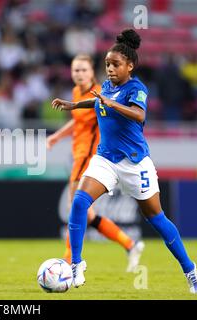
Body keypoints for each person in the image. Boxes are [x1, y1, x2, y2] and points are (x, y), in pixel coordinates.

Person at [51, 29, 197, 294]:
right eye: (107, 64)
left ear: (129, 66)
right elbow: (99, 103)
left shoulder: (136, 88)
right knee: (79, 201)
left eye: (115, 64)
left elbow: (138, 115)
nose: (109, 69)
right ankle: (76, 264)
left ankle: (189, 269)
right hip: (106, 159)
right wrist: (74, 106)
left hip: (135, 164)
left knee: (156, 219)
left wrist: (112, 104)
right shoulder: (107, 87)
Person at [47, 54, 144, 272]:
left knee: (77, 208)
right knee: (86, 214)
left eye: (83, 70)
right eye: (75, 70)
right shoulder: (75, 93)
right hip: (78, 155)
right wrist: (57, 136)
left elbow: (113, 119)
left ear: (92, 73)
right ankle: (130, 244)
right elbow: (78, 121)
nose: (79, 74)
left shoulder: (101, 93)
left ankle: (69, 258)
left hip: (89, 157)